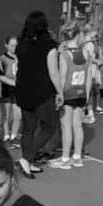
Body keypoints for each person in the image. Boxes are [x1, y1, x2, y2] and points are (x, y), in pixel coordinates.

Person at [15, 11, 61, 179]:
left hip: (23, 90)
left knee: (28, 129)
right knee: (49, 127)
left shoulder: (21, 44)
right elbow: (53, 73)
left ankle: (28, 160)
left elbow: (19, 67)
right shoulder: (49, 46)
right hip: (42, 92)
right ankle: (26, 159)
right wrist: (60, 92)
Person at [49, 22, 91, 170]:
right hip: (81, 93)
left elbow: (62, 77)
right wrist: (86, 96)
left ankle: (65, 158)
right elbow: (88, 77)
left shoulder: (64, 55)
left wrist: (59, 94)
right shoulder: (85, 53)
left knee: (66, 126)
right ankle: (77, 157)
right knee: (78, 126)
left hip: (67, 93)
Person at [0, 36, 21, 148]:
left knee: (18, 114)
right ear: (6, 45)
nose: (14, 47)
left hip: (17, 90)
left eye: (16, 45)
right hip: (5, 90)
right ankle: (6, 136)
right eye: (12, 45)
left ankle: (14, 136)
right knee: (6, 115)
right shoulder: (2, 59)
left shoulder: (20, 58)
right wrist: (11, 82)